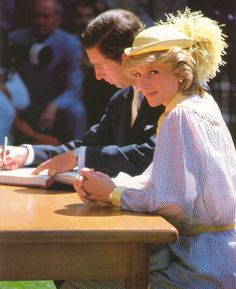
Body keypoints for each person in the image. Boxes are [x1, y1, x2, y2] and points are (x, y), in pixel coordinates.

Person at [71, 9, 236, 289]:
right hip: (220, 255)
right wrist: (110, 185)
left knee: (80, 281)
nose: (143, 83)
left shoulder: (178, 116)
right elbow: (159, 180)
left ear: (182, 72)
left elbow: (173, 204)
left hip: (199, 266)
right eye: (138, 73)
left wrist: (112, 193)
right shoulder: (199, 103)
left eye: (154, 72)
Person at [0, 9, 164, 179]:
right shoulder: (120, 99)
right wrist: (27, 153)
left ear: (126, 59)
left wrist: (79, 157)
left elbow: (150, 155)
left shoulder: (165, 97)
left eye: (100, 65)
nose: (98, 75)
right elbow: (87, 146)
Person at [8, 0, 86, 144]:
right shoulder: (15, 39)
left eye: (46, 16)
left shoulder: (70, 44)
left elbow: (74, 88)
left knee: (77, 110)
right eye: (37, 16)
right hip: (24, 101)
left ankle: (78, 155)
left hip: (55, 102)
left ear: (57, 19)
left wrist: (54, 105)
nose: (40, 21)